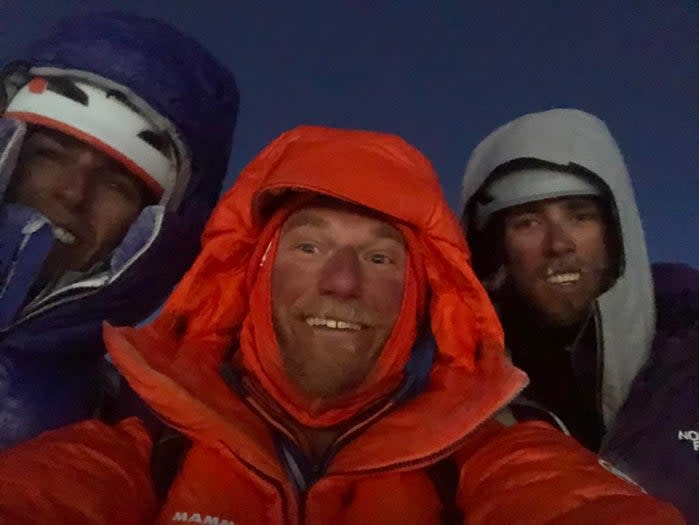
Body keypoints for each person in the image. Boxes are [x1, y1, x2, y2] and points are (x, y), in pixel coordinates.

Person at [0, 126, 683, 524]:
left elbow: (566, 501)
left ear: (421, 294)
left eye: (381, 256)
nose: (342, 281)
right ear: (253, 272)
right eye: (308, 245)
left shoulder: (479, 449)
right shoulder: (150, 435)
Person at [0, 11, 239, 448]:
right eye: (49, 155)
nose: (73, 193)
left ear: (158, 234)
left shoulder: (139, 438)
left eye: (117, 183)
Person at [460, 108, 698, 521]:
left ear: (615, 231)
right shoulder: (463, 392)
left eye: (579, 216)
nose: (559, 244)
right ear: (496, 249)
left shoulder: (688, 351)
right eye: (528, 222)